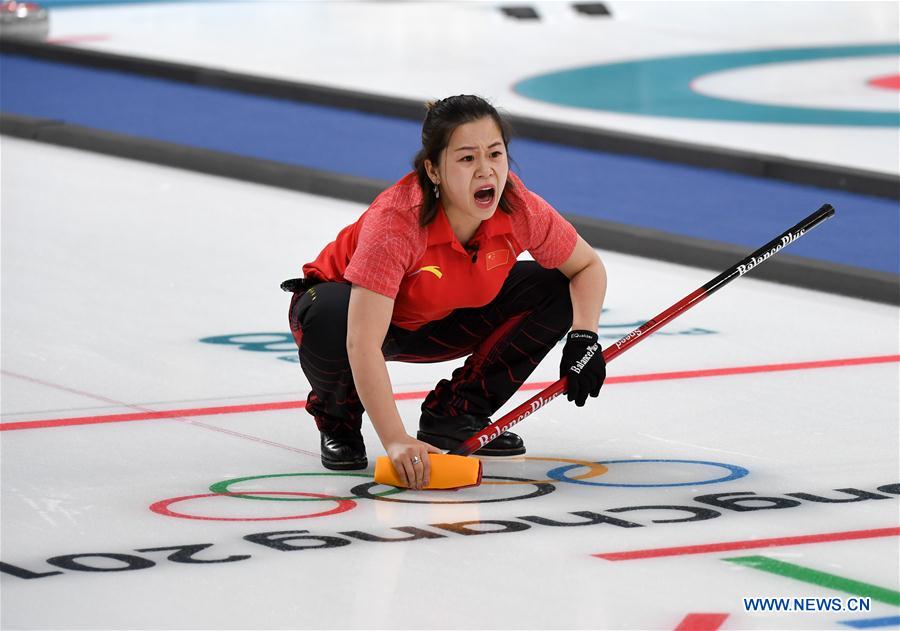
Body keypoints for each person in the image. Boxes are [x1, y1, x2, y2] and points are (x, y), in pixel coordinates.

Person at [284, 95, 607, 490]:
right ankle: (339, 419)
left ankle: (456, 414)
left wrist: (584, 336)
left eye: (495, 154)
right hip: (352, 317)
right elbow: (362, 342)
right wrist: (397, 440)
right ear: (433, 170)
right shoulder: (398, 221)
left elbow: (586, 267)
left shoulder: (520, 208)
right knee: (330, 313)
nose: (486, 170)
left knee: (556, 287)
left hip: (439, 315)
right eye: (467, 159)